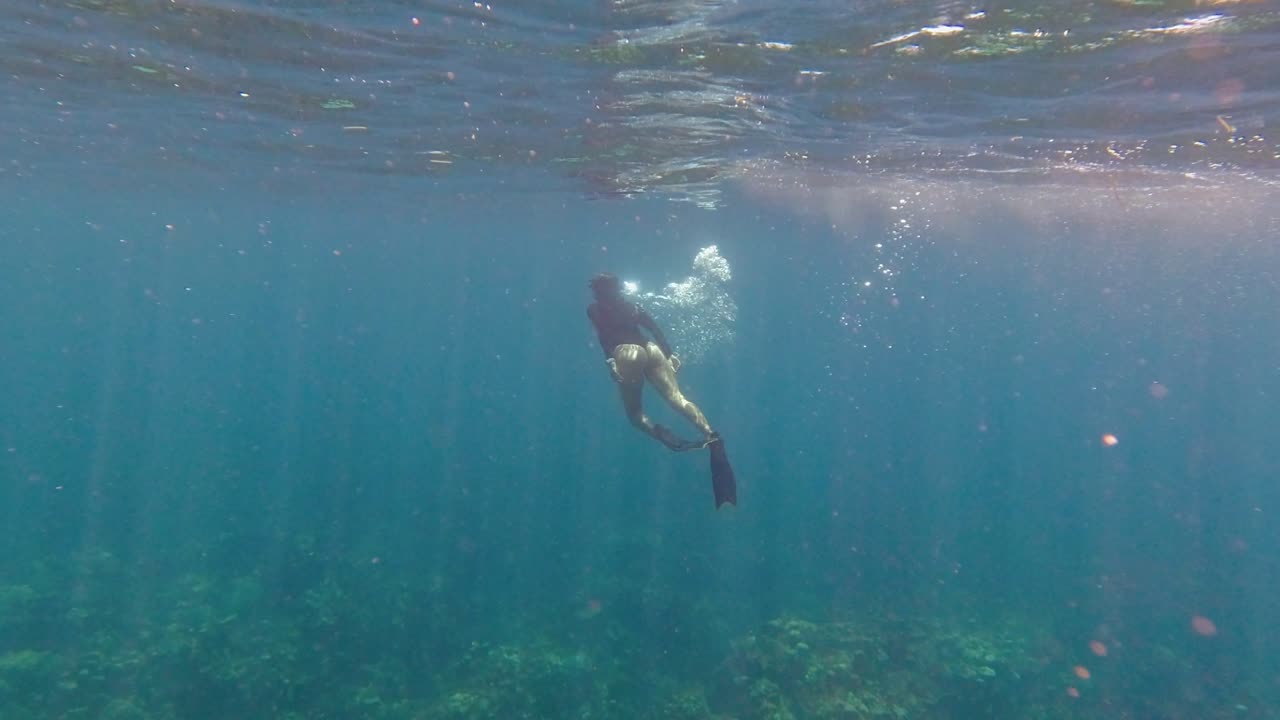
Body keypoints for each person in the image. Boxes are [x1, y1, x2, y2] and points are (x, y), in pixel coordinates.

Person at [587, 272, 737, 507]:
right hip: (651, 349)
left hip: (626, 352)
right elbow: (655, 329)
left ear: (596, 291)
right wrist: (670, 354)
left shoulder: (594, 309)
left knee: (635, 416)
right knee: (678, 398)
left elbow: (604, 337)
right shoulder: (633, 307)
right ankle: (711, 434)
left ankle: (666, 437)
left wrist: (611, 361)